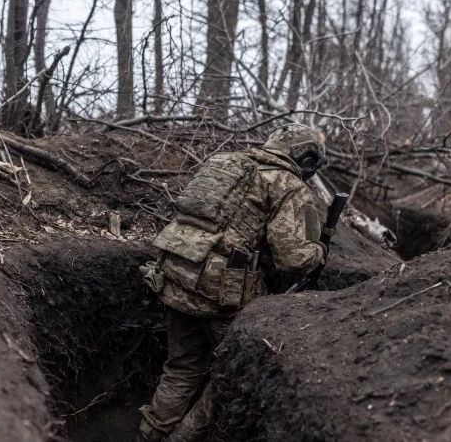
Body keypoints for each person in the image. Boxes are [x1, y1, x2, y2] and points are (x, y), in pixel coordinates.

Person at [136, 123, 330, 442]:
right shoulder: (288, 184)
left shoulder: (222, 161)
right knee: (228, 376)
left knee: (181, 368)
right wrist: (319, 250)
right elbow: (292, 259)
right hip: (219, 295)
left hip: (176, 277)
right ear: (307, 161)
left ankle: (149, 435)